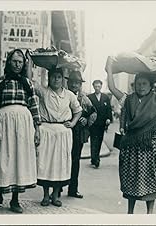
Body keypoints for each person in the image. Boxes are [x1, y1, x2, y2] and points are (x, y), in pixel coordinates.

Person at [105, 56, 156, 214]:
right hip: (131, 148)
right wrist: (110, 67)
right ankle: (130, 212)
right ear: (134, 85)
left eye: (144, 83)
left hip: (150, 149)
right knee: (131, 181)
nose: (141, 87)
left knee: (150, 180)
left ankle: (149, 213)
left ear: (151, 85)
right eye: (138, 84)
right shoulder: (128, 99)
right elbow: (112, 87)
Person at [0, 49, 41, 213]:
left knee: (19, 159)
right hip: (3, 123)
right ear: (9, 62)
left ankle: (15, 200)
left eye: (20, 62)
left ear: (24, 64)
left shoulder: (28, 83)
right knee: (1, 158)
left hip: (23, 125)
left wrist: (37, 129)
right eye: (14, 61)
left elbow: (34, 106)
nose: (17, 64)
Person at [32, 66, 82, 207]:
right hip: (46, 130)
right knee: (46, 164)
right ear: (49, 78)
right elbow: (30, 82)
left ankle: (55, 196)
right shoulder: (43, 91)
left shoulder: (69, 95)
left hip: (63, 132)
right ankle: (46, 196)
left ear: (62, 79)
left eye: (58, 77)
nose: (56, 79)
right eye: (53, 76)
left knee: (59, 164)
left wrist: (72, 122)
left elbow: (78, 111)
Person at [66, 70, 97, 198]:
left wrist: (86, 120)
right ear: (67, 82)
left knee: (75, 160)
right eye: (72, 82)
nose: (74, 85)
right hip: (64, 131)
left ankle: (73, 189)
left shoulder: (85, 99)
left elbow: (94, 112)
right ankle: (56, 190)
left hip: (78, 133)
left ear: (80, 85)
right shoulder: (62, 95)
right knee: (60, 160)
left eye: (77, 83)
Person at [87, 80, 113, 168]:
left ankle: (95, 157)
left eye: (99, 86)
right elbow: (87, 109)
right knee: (93, 141)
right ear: (93, 87)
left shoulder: (105, 97)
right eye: (95, 86)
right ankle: (95, 159)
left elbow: (109, 109)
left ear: (101, 87)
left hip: (102, 123)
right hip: (93, 123)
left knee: (99, 141)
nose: (97, 88)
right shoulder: (89, 97)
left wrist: (109, 118)